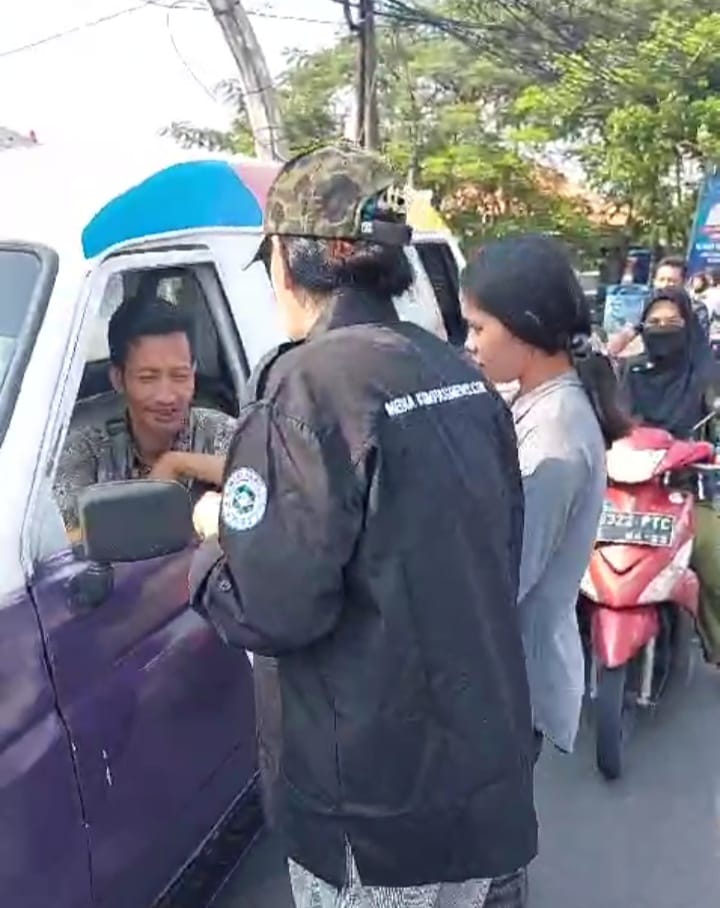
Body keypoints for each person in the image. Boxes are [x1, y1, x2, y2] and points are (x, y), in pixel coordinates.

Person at [190, 143, 537, 908]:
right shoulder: (455, 374)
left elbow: (270, 606)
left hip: (373, 810)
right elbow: (497, 549)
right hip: (478, 772)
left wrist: (214, 543)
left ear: (291, 259)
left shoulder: (307, 390)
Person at [461, 235, 631, 759]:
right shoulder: (534, 398)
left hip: (511, 689)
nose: (469, 344)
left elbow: (503, 579)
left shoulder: (555, 436)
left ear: (526, 327)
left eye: (478, 328)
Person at [54, 296, 236, 537]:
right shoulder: (85, 450)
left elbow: (272, 478)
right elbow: (72, 542)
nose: (167, 396)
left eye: (180, 376)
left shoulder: (221, 432)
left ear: (193, 373)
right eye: (148, 378)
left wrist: (178, 463)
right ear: (119, 379)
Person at [617, 286, 720, 664]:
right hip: (629, 489)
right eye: (654, 322)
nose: (662, 330)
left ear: (688, 325)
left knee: (714, 563)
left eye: (672, 323)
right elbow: (611, 420)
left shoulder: (708, 376)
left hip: (689, 487)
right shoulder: (631, 370)